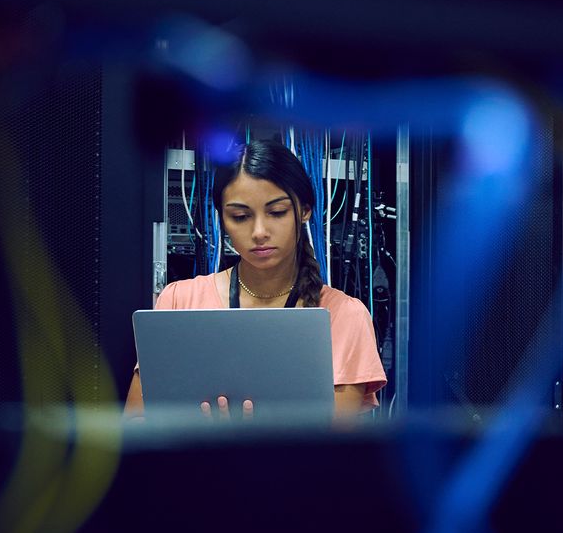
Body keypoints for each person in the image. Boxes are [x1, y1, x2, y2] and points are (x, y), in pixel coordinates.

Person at [124, 138, 387, 421]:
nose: (259, 231)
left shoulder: (345, 316)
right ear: (222, 219)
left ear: (305, 210)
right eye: (240, 216)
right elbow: (135, 426)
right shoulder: (179, 301)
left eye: (276, 212)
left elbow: (332, 448)